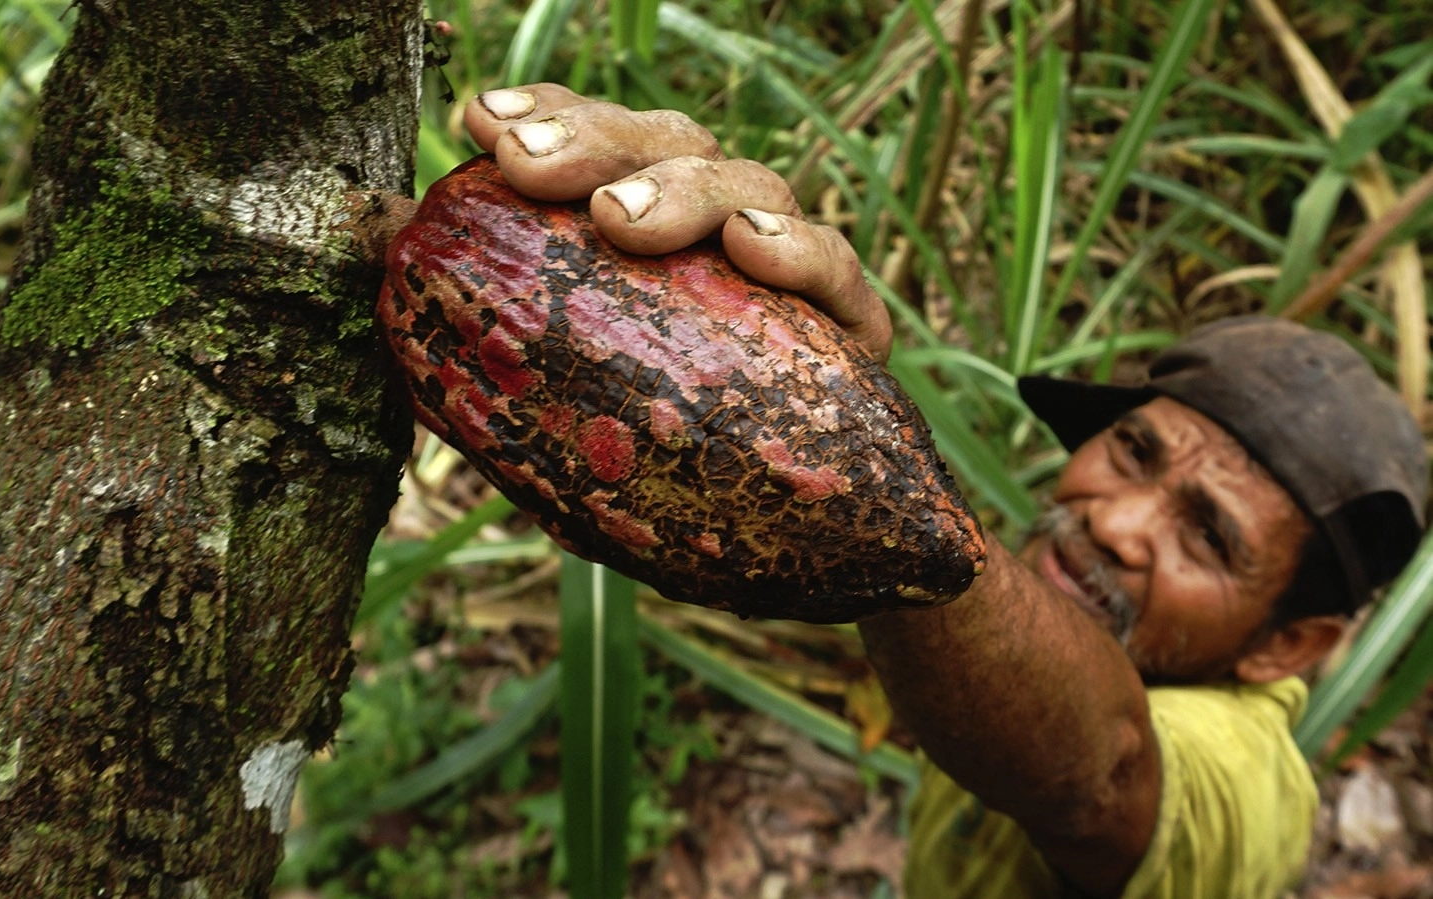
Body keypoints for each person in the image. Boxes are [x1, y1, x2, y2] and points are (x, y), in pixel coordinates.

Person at [460, 84, 1430, 897]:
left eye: (1210, 538)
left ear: (1287, 645)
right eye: (1134, 451)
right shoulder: (1009, 637)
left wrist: (849, 460)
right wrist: (778, 368)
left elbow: (1103, 775)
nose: (1119, 524)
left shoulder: (1254, 783)